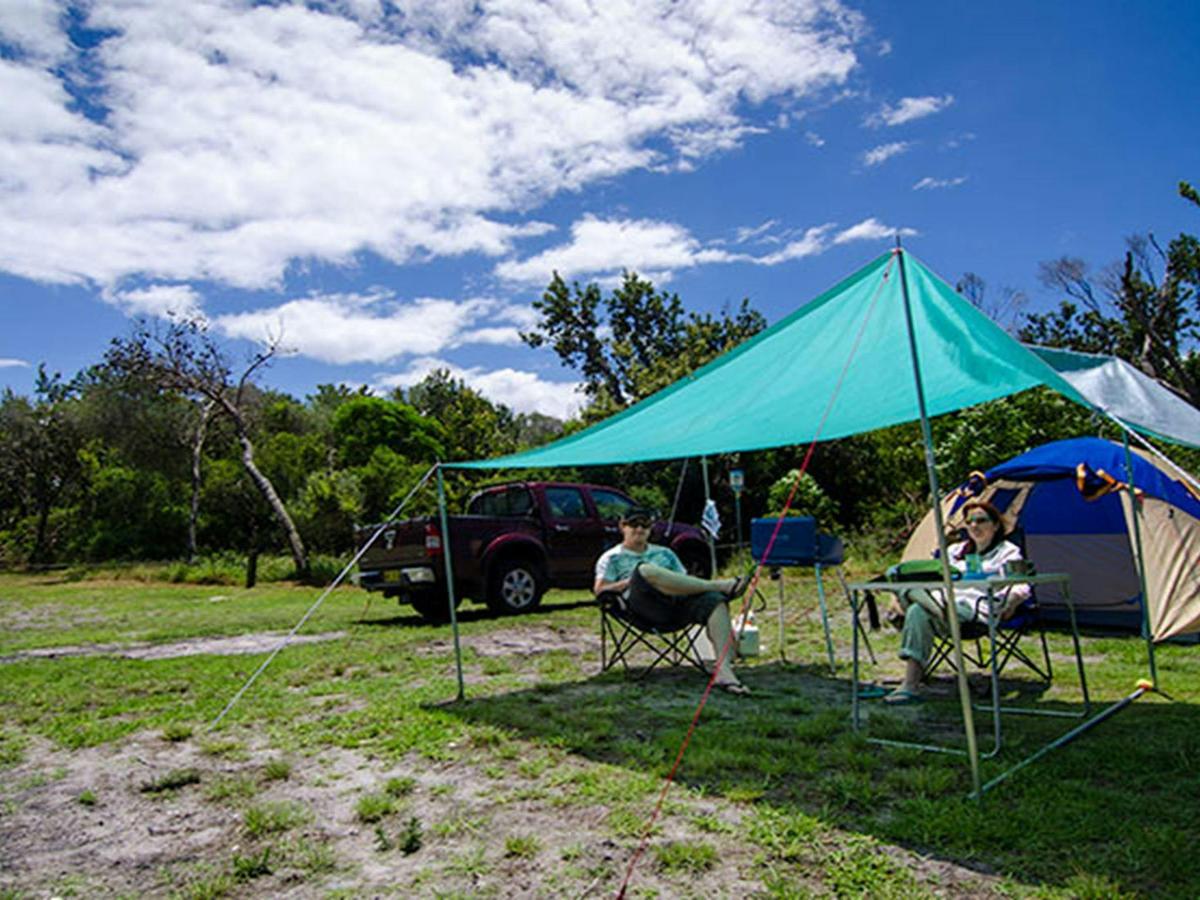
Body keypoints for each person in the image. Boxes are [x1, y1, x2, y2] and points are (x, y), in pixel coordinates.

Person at [883, 499, 1030, 705]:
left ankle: (910, 684)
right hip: (947, 604)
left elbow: (1022, 584)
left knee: (916, 608)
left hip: (977, 610)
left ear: (995, 525)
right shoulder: (955, 551)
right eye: (969, 522)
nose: (974, 526)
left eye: (981, 520)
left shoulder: (1008, 551)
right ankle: (911, 682)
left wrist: (1011, 603)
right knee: (912, 600)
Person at [594, 507, 753, 695]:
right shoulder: (612, 557)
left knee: (715, 601)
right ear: (623, 527)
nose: (639, 529)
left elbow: (685, 582)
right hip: (643, 608)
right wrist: (631, 581)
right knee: (645, 571)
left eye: (645, 525)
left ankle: (724, 672)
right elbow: (600, 590)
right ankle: (720, 585)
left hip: (676, 607)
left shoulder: (665, 553)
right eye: (634, 524)